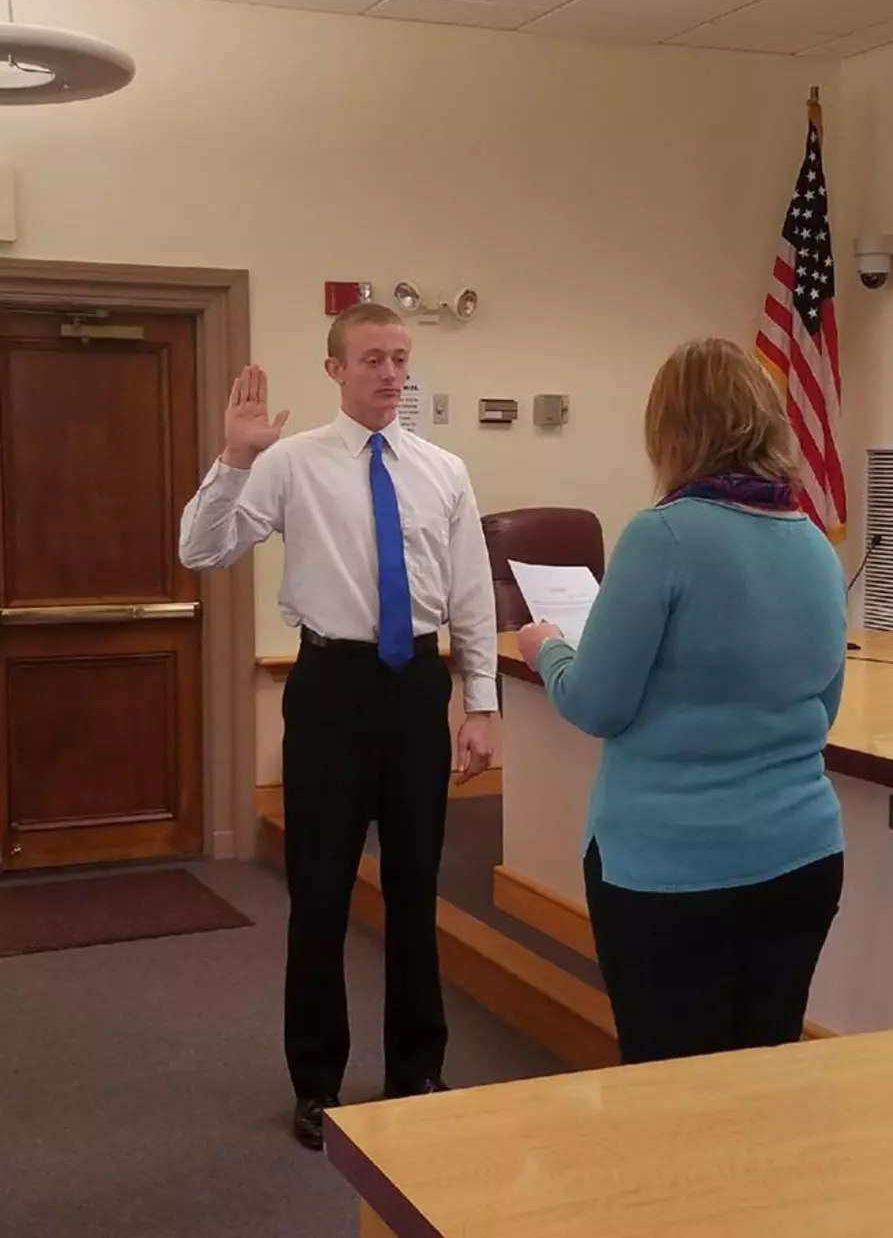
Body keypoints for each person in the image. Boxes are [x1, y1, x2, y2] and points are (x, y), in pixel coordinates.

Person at [179, 302, 497, 1150]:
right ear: (335, 370)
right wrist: (232, 461)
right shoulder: (287, 464)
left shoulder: (445, 471)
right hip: (329, 689)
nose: (390, 374)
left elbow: (470, 596)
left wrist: (483, 706)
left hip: (414, 691)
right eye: (372, 360)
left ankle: (417, 1069)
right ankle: (317, 1082)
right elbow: (200, 551)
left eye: (399, 358)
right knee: (320, 895)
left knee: (415, 891)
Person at [517, 338, 846, 1066]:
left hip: (672, 870)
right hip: (801, 859)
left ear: (672, 430)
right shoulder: (815, 545)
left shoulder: (660, 535)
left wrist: (545, 647)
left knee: (671, 1096)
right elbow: (825, 709)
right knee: (760, 1083)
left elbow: (597, 704)